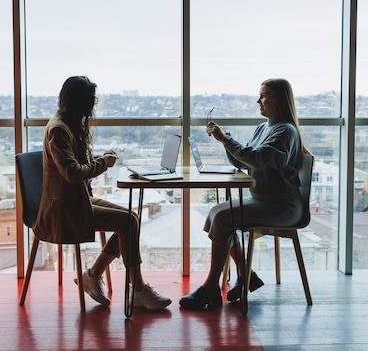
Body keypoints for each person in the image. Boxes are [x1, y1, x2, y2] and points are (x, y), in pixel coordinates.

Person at [33, 75, 171, 311]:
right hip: (64, 209)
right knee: (128, 221)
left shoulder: (66, 123)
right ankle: (137, 290)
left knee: (131, 219)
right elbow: (72, 173)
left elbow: (75, 165)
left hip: (76, 200)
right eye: (91, 101)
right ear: (82, 102)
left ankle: (95, 275)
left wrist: (99, 159)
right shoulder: (59, 130)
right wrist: (103, 164)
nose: (93, 107)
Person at [180, 78, 311, 310]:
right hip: (266, 200)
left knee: (222, 217)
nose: (258, 100)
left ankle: (212, 286)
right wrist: (226, 143)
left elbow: (258, 159)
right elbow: (245, 161)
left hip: (282, 206)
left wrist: (227, 140)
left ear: (278, 100)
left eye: (263, 95)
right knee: (217, 213)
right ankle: (246, 274)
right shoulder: (264, 128)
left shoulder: (285, 131)